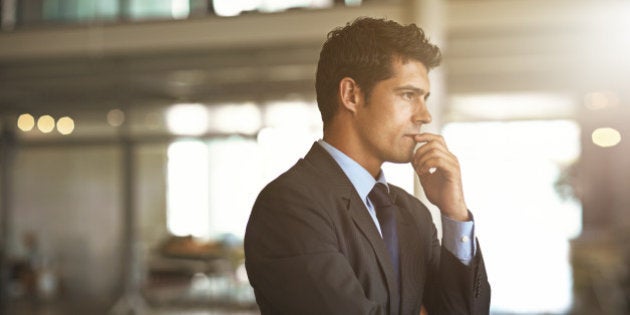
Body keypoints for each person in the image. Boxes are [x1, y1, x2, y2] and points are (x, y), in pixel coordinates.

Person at [245, 17, 491, 315]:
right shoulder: (289, 206)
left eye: (424, 98)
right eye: (408, 95)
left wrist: (455, 214)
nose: (424, 115)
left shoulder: (414, 214)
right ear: (351, 95)